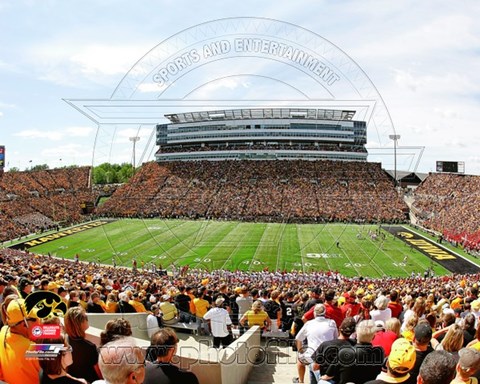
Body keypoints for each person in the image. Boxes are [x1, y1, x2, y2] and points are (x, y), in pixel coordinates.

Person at [0, 297, 41, 384]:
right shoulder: (33, 349)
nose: (39, 321)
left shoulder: (3, 331)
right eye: (35, 319)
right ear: (24, 324)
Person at [294, 304, 338, 384]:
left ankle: (301, 381)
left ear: (314, 313)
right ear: (325, 312)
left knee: (300, 360)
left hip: (313, 357)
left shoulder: (309, 324)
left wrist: (300, 351)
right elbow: (335, 338)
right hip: (328, 356)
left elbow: (298, 338)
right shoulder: (332, 323)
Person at [64, 307, 102, 383]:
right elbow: (99, 373)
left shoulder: (64, 342)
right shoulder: (90, 347)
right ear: (80, 323)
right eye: (85, 318)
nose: (87, 320)